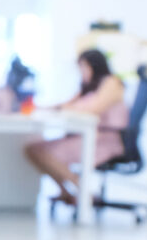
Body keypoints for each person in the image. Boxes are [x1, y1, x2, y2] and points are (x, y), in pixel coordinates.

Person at [23, 49, 130, 208]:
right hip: (84, 137)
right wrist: (46, 107)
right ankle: (66, 192)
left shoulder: (112, 82)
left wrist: (69, 108)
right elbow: (68, 104)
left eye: (84, 66)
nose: (82, 71)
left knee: (44, 153)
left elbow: (94, 108)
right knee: (33, 150)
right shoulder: (89, 85)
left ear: (95, 65)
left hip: (104, 140)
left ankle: (84, 190)